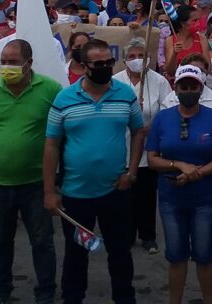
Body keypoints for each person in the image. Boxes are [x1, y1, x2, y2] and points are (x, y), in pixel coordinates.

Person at [44, 38, 145, 304]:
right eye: (98, 64)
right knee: (76, 256)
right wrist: (49, 191)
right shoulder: (64, 98)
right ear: (83, 65)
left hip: (116, 191)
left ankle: (125, 298)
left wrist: (131, 172)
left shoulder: (125, 94)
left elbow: (138, 132)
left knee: (120, 253)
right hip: (75, 194)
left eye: (109, 63)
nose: (104, 68)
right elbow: (51, 145)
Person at [0, 38, 61, 304]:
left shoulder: (51, 89)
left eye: (13, 62)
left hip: (36, 183)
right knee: (0, 243)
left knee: (42, 242)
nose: (7, 67)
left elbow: (58, 132)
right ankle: (0, 291)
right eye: (3, 62)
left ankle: (45, 293)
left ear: (28, 63)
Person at [146, 65, 212, 304]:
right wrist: (179, 166)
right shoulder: (163, 118)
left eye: (193, 86)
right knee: (176, 255)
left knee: (204, 254)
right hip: (170, 197)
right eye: (183, 86)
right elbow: (152, 158)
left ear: (200, 88)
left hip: (204, 198)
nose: (188, 90)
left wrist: (197, 172)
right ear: (176, 88)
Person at [113, 37, 168, 255]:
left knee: (146, 193)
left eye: (141, 56)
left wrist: (149, 128)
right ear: (125, 60)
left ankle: (148, 235)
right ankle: (125, 234)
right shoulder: (115, 82)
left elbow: (166, 111)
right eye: (132, 56)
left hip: (148, 147)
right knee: (123, 194)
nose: (137, 60)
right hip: (121, 145)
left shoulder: (159, 81)